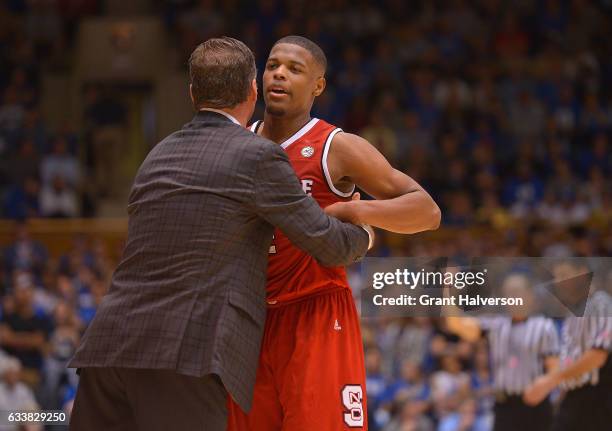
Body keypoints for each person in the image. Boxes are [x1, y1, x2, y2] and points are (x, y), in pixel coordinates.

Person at [67, 37, 372, 431]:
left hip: (107, 347)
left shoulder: (157, 154)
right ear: (252, 90)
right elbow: (330, 245)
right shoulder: (256, 153)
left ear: (193, 93)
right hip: (183, 354)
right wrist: (363, 229)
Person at [227, 35, 440, 431]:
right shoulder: (236, 143)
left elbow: (426, 210)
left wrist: (354, 208)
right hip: (249, 319)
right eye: (273, 65)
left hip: (315, 312)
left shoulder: (335, 146)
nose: (279, 74)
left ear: (318, 86)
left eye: (294, 69)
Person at [446, 273, 560, 431]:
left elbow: (555, 369)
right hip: (504, 406)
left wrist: (544, 388)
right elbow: (457, 325)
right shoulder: (496, 325)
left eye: (516, 292)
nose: (511, 297)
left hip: (535, 405)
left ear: (530, 295)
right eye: (507, 293)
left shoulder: (544, 326)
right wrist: (448, 289)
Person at [523, 259, 612, 431]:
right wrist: (560, 394)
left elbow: (598, 356)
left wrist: (550, 380)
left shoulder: (602, 304)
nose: (559, 282)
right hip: (573, 399)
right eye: (556, 277)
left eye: (564, 275)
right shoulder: (570, 315)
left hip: (600, 398)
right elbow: (569, 362)